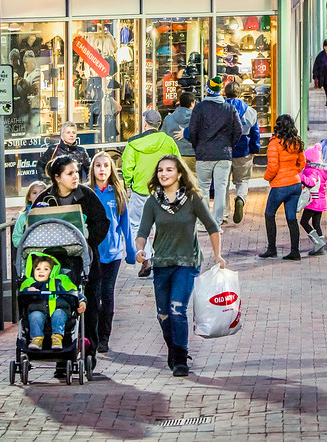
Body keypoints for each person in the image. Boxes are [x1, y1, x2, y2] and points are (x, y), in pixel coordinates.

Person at [135, 154, 225, 377]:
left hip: (187, 262)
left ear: (179, 174)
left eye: (169, 170)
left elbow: (213, 227)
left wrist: (218, 256)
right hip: (162, 263)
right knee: (163, 314)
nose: (163, 174)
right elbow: (142, 232)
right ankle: (173, 350)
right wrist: (140, 249)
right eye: (160, 171)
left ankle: (181, 358)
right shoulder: (153, 202)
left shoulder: (193, 198)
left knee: (177, 309)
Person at [34, 154, 111, 375]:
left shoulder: (86, 195)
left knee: (89, 309)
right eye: (70, 173)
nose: (75, 177)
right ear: (57, 178)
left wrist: (86, 242)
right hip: (55, 264)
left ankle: (89, 353)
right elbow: (35, 225)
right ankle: (62, 356)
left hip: (84, 263)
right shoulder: (45, 199)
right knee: (58, 307)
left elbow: (102, 222)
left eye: (76, 172)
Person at [121, 109, 181, 278]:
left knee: (137, 226)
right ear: (159, 124)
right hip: (162, 191)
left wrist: (128, 183)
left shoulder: (133, 143)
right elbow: (178, 162)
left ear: (145, 123)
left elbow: (127, 167)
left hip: (141, 191)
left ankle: (145, 255)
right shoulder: (168, 141)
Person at [87, 152, 135, 353]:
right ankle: (93, 335)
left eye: (106, 165)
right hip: (92, 253)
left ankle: (104, 337)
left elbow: (125, 224)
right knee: (93, 295)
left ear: (111, 169)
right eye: (98, 165)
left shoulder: (117, 192)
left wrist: (131, 251)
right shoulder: (87, 193)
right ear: (92, 169)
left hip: (113, 253)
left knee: (107, 295)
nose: (102, 169)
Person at [187, 76, 243, 228]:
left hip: (204, 153)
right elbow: (239, 129)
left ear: (207, 89)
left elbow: (192, 130)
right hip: (223, 154)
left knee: (203, 188)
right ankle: (216, 223)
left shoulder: (199, 108)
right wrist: (230, 145)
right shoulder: (229, 108)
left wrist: (197, 146)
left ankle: (203, 222)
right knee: (220, 189)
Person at [259, 115, 308, 260]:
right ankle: (295, 251)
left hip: (280, 185)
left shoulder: (274, 144)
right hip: (295, 184)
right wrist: (294, 173)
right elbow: (302, 163)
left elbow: (273, 167)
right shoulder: (297, 142)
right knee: (291, 218)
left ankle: (272, 249)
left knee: (269, 214)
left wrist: (267, 178)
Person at [18, 253, 83, 351]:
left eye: (46, 269)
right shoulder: (30, 282)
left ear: (52, 271)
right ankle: (36, 339)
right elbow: (22, 293)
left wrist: (82, 301)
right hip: (38, 310)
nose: (41, 272)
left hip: (58, 309)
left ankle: (57, 338)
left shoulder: (61, 280)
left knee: (59, 314)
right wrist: (28, 290)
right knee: (35, 315)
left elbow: (73, 291)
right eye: (38, 269)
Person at [224, 81, 260, 223]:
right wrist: (254, 150)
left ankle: (224, 214)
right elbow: (255, 133)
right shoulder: (250, 111)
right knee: (242, 180)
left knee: (223, 183)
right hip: (243, 149)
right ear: (239, 94)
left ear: (225, 93)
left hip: (224, 151)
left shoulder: (221, 109)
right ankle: (240, 198)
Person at [298, 154, 327, 256]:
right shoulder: (322, 171)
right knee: (316, 223)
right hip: (321, 201)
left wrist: (301, 176)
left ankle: (318, 242)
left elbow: (311, 182)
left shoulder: (311, 171)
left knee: (304, 222)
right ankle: (320, 248)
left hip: (313, 201)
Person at [162, 91, 196, 173]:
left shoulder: (168, 118)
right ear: (192, 103)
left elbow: (163, 137)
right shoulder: (197, 119)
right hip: (193, 155)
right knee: (193, 182)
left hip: (174, 156)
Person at [11, 181, 49, 248]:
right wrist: (27, 244)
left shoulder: (52, 213)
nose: (38, 195)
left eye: (41, 192)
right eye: (34, 193)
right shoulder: (23, 217)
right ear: (29, 197)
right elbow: (16, 238)